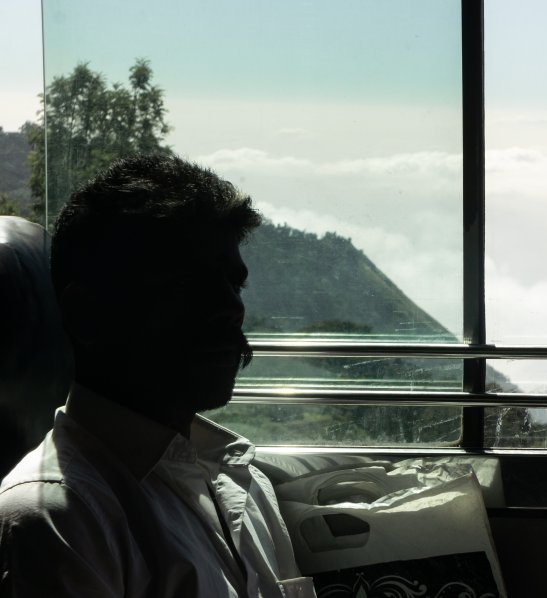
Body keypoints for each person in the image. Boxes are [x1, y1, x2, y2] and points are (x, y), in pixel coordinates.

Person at [0, 155, 314, 597]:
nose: (231, 307)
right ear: (88, 316)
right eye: (186, 284)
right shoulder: (59, 520)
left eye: (233, 284)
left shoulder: (237, 478)